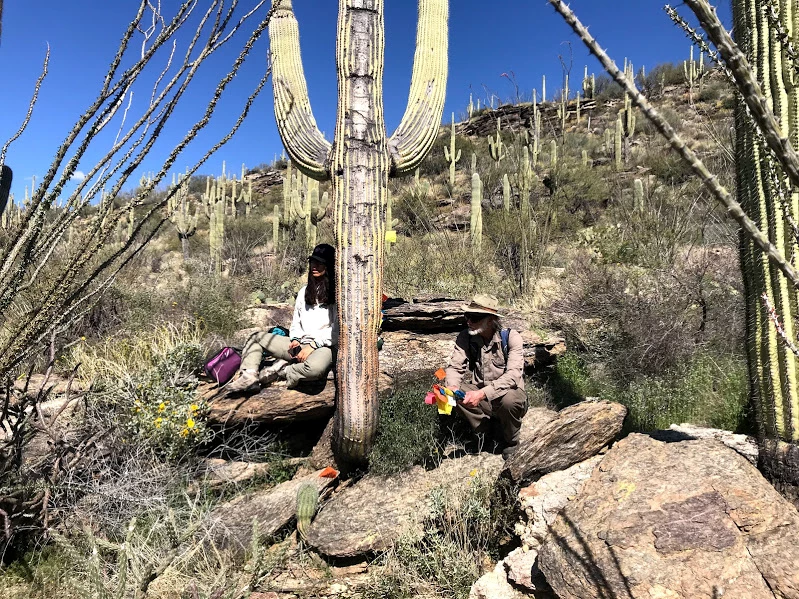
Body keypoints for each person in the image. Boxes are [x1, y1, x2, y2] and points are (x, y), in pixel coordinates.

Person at [227, 243, 337, 393]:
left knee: (315, 369)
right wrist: (295, 339)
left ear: (329, 266)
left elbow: (337, 330)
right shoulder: (305, 291)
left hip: (322, 347)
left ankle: (283, 371)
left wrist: (313, 345)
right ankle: (249, 377)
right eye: (312, 261)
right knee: (255, 337)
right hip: (299, 344)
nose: (314, 266)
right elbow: (296, 321)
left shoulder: (337, 295)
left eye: (320, 263)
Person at [445, 293, 527, 458]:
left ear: (491, 320)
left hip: (506, 395)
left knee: (509, 400)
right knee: (452, 391)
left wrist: (482, 393)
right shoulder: (465, 337)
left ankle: (511, 442)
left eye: (474, 318)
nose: (469, 321)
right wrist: (452, 387)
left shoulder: (511, 337)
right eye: (467, 316)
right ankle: (485, 433)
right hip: (482, 397)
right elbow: (455, 366)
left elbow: (512, 376)